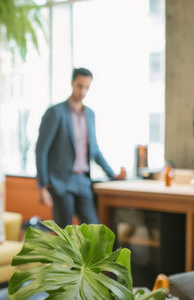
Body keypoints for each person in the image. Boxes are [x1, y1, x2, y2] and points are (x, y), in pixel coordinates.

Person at [35, 67, 126, 228]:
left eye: (87, 87)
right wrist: (42, 186)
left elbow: (95, 151)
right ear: (72, 83)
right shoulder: (55, 113)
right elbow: (41, 150)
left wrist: (112, 174)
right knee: (65, 236)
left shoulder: (90, 114)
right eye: (80, 86)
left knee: (95, 232)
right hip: (61, 182)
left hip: (83, 181)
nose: (83, 91)